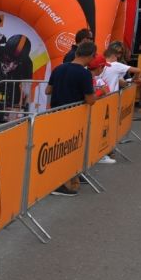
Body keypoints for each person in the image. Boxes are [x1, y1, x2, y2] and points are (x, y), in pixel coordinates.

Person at [46, 40, 99, 194]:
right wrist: (100, 93)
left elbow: (48, 90)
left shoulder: (59, 68)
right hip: (72, 117)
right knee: (67, 151)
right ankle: (60, 184)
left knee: (58, 150)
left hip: (56, 114)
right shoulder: (84, 73)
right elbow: (90, 100)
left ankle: (68, 178)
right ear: (91, 56)